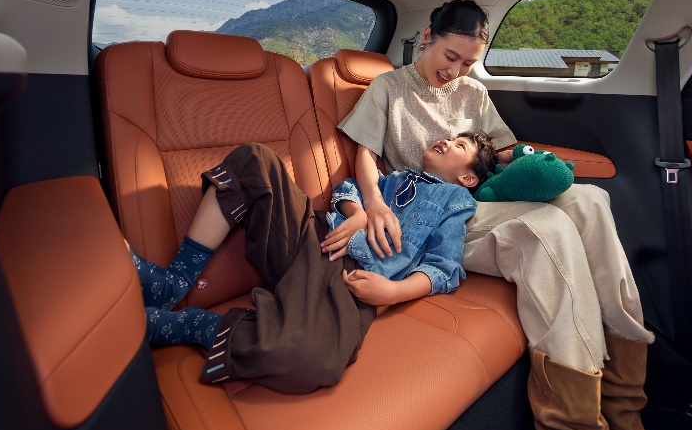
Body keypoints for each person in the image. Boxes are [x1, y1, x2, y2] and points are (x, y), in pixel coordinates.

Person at [338, 0, 692, 430]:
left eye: (468, 62)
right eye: (451, 57)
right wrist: (372, 204)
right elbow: (364, 156)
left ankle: (623, 415)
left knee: (590, 200)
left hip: (477, 195)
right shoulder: (389, 89)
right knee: (546, 227)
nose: (457, 71)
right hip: (433, 218)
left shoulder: (474, 92)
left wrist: (526, 161)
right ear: (427, 37)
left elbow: (500, 150)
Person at [127, 132, 497, 395]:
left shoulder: (455, 202)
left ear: (468, 178)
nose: (447, 141)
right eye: (450, 137)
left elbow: (443, 268)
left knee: (313, 361)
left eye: (460, 145)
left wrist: (393, 291)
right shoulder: (392, 177)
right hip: (317, 235)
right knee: (255, 160)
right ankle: (174, 281)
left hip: (353, 285)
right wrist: (357, 212)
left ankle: (188, 325)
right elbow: (348, 188)